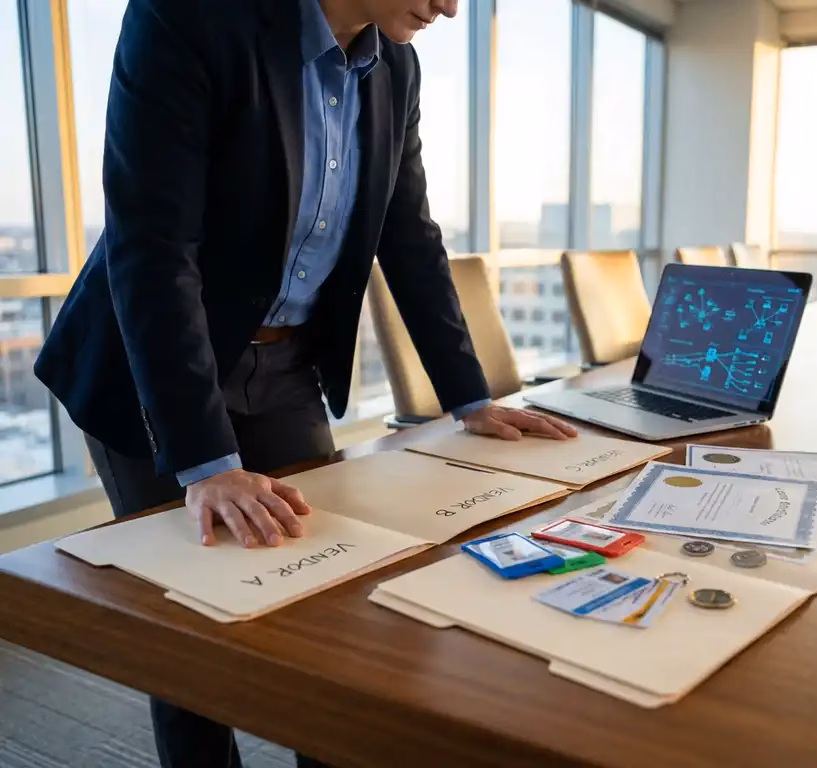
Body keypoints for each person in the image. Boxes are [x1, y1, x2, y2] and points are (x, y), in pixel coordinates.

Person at [34, 0, 576, 765]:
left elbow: (409, 234)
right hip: (148, 367)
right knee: (191, 618)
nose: (453, 7)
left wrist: (471, 397)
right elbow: (153, 248)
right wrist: (207, 463)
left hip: (288, 366)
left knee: (332, 595)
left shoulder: (396, 66)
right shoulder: (186, 18)